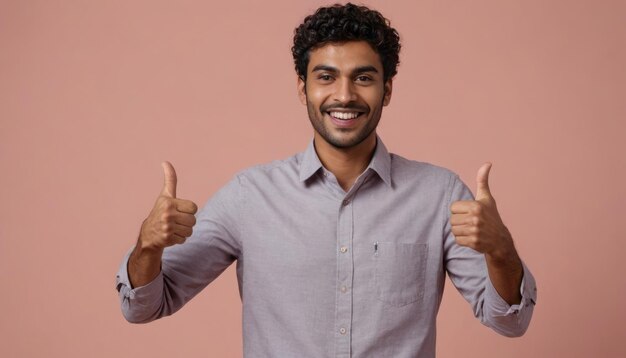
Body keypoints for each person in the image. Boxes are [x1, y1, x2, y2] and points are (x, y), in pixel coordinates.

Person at [115, 3, 537, 357]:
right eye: (326, 76)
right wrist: (147, 245)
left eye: (364, 77)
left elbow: (510, 321)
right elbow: (144, 307)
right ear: (303, 89)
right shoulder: (249, 197)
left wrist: (501, 249)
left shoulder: (439, 195)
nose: (345, 94)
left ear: (387, 90)